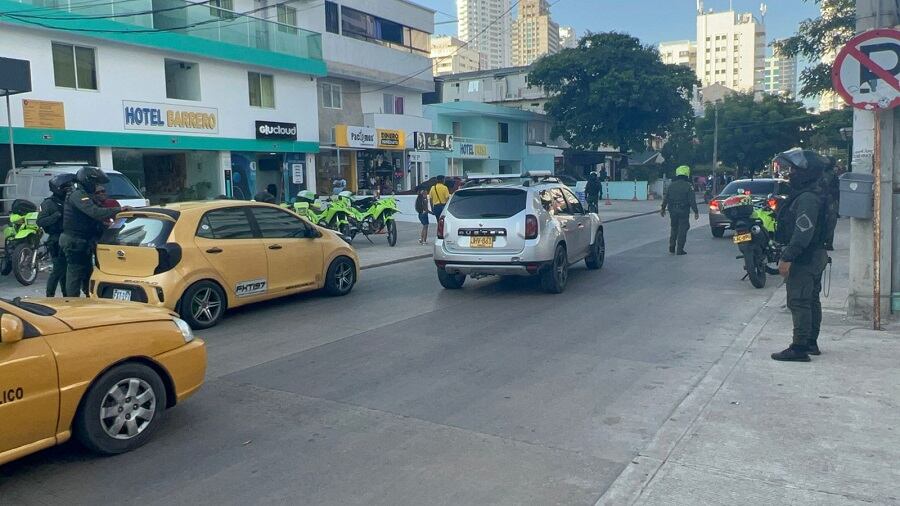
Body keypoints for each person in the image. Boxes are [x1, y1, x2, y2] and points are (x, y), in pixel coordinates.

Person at [771, 148, 830, 362]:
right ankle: (811, 342)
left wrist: (788, 257)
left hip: (805, 257)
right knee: (811, 300)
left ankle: (799, 348)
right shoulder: (815, 194)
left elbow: (802, 233)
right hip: (815, 254)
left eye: (795, 170)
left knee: (799, 302)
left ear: (806, 172)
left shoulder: (807, 198)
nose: (791, 174)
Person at [61, 167, 125, 297]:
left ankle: (88, 298)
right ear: (88, 181)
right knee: (75, 272)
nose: (97, 187)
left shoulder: (85, 194)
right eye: (95, 183)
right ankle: (72, 303)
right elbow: (94, 212)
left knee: (87, 271)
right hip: (75, 240)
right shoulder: (78, 195)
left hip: (82, 240)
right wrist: (119, 209)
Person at [36, 173, 75, 297]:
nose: (70, 189)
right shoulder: (48, 203)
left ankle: (66, 295)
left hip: (70, 238)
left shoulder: (70, 201)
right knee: (58, 270)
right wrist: (55, 216)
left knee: (67, 271)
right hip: (56, 239)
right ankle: (50, 295)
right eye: (67, 187)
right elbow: (40, 221)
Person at [660, 165, 699, 255]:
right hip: (683, 211)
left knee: (674, 227)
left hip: (672, 211)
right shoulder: (688, 186)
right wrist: (696, 211)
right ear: (687, 174)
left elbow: (666, 198)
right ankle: (680, 249)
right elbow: (692, 200)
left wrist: (662, 208)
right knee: (682, 229)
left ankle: (672, 246)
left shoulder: (671, 185)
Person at [820, 158, 840, 251]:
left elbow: (837, 190)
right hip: (824, 200)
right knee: (827, 222)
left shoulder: (832, 175)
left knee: (830, 222)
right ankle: (825, 242)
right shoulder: (820, 174)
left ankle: (828, 242)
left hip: (830, 201)